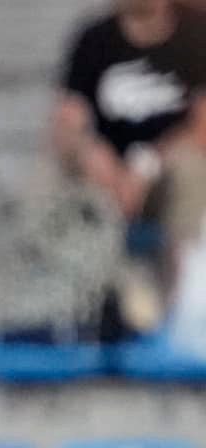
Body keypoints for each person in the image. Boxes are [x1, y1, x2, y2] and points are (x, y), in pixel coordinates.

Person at [54, 0, 206, 308]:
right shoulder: (93, 39)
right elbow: (68, 118)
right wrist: (92, 155)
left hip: (169, 172)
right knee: (71, 188)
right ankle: (86, 307)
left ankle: (185, 302)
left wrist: (147, 166)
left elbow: (201, 125)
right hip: (109, 179)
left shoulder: (195, 32)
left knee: (190, 171)